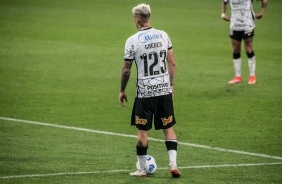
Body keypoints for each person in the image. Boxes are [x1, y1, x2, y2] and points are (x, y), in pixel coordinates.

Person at [119, 3, 181, 178]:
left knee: (142, 133)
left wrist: (122, 90)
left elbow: (126, 69)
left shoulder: (132, 40)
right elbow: (172, 63)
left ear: (137, 20)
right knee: (168, 128)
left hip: (145, 94)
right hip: (163, 91)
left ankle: (142, 169)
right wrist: (171, 86)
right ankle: (173, 165)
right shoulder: (163, 35)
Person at [221, 0, 267, 84]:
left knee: (248, 49)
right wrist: (223, 14)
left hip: (247, 25)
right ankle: (238, 77)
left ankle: (252, 76)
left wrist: (262, 12)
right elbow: (224, 2)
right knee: (235, 50)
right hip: (235, 25)